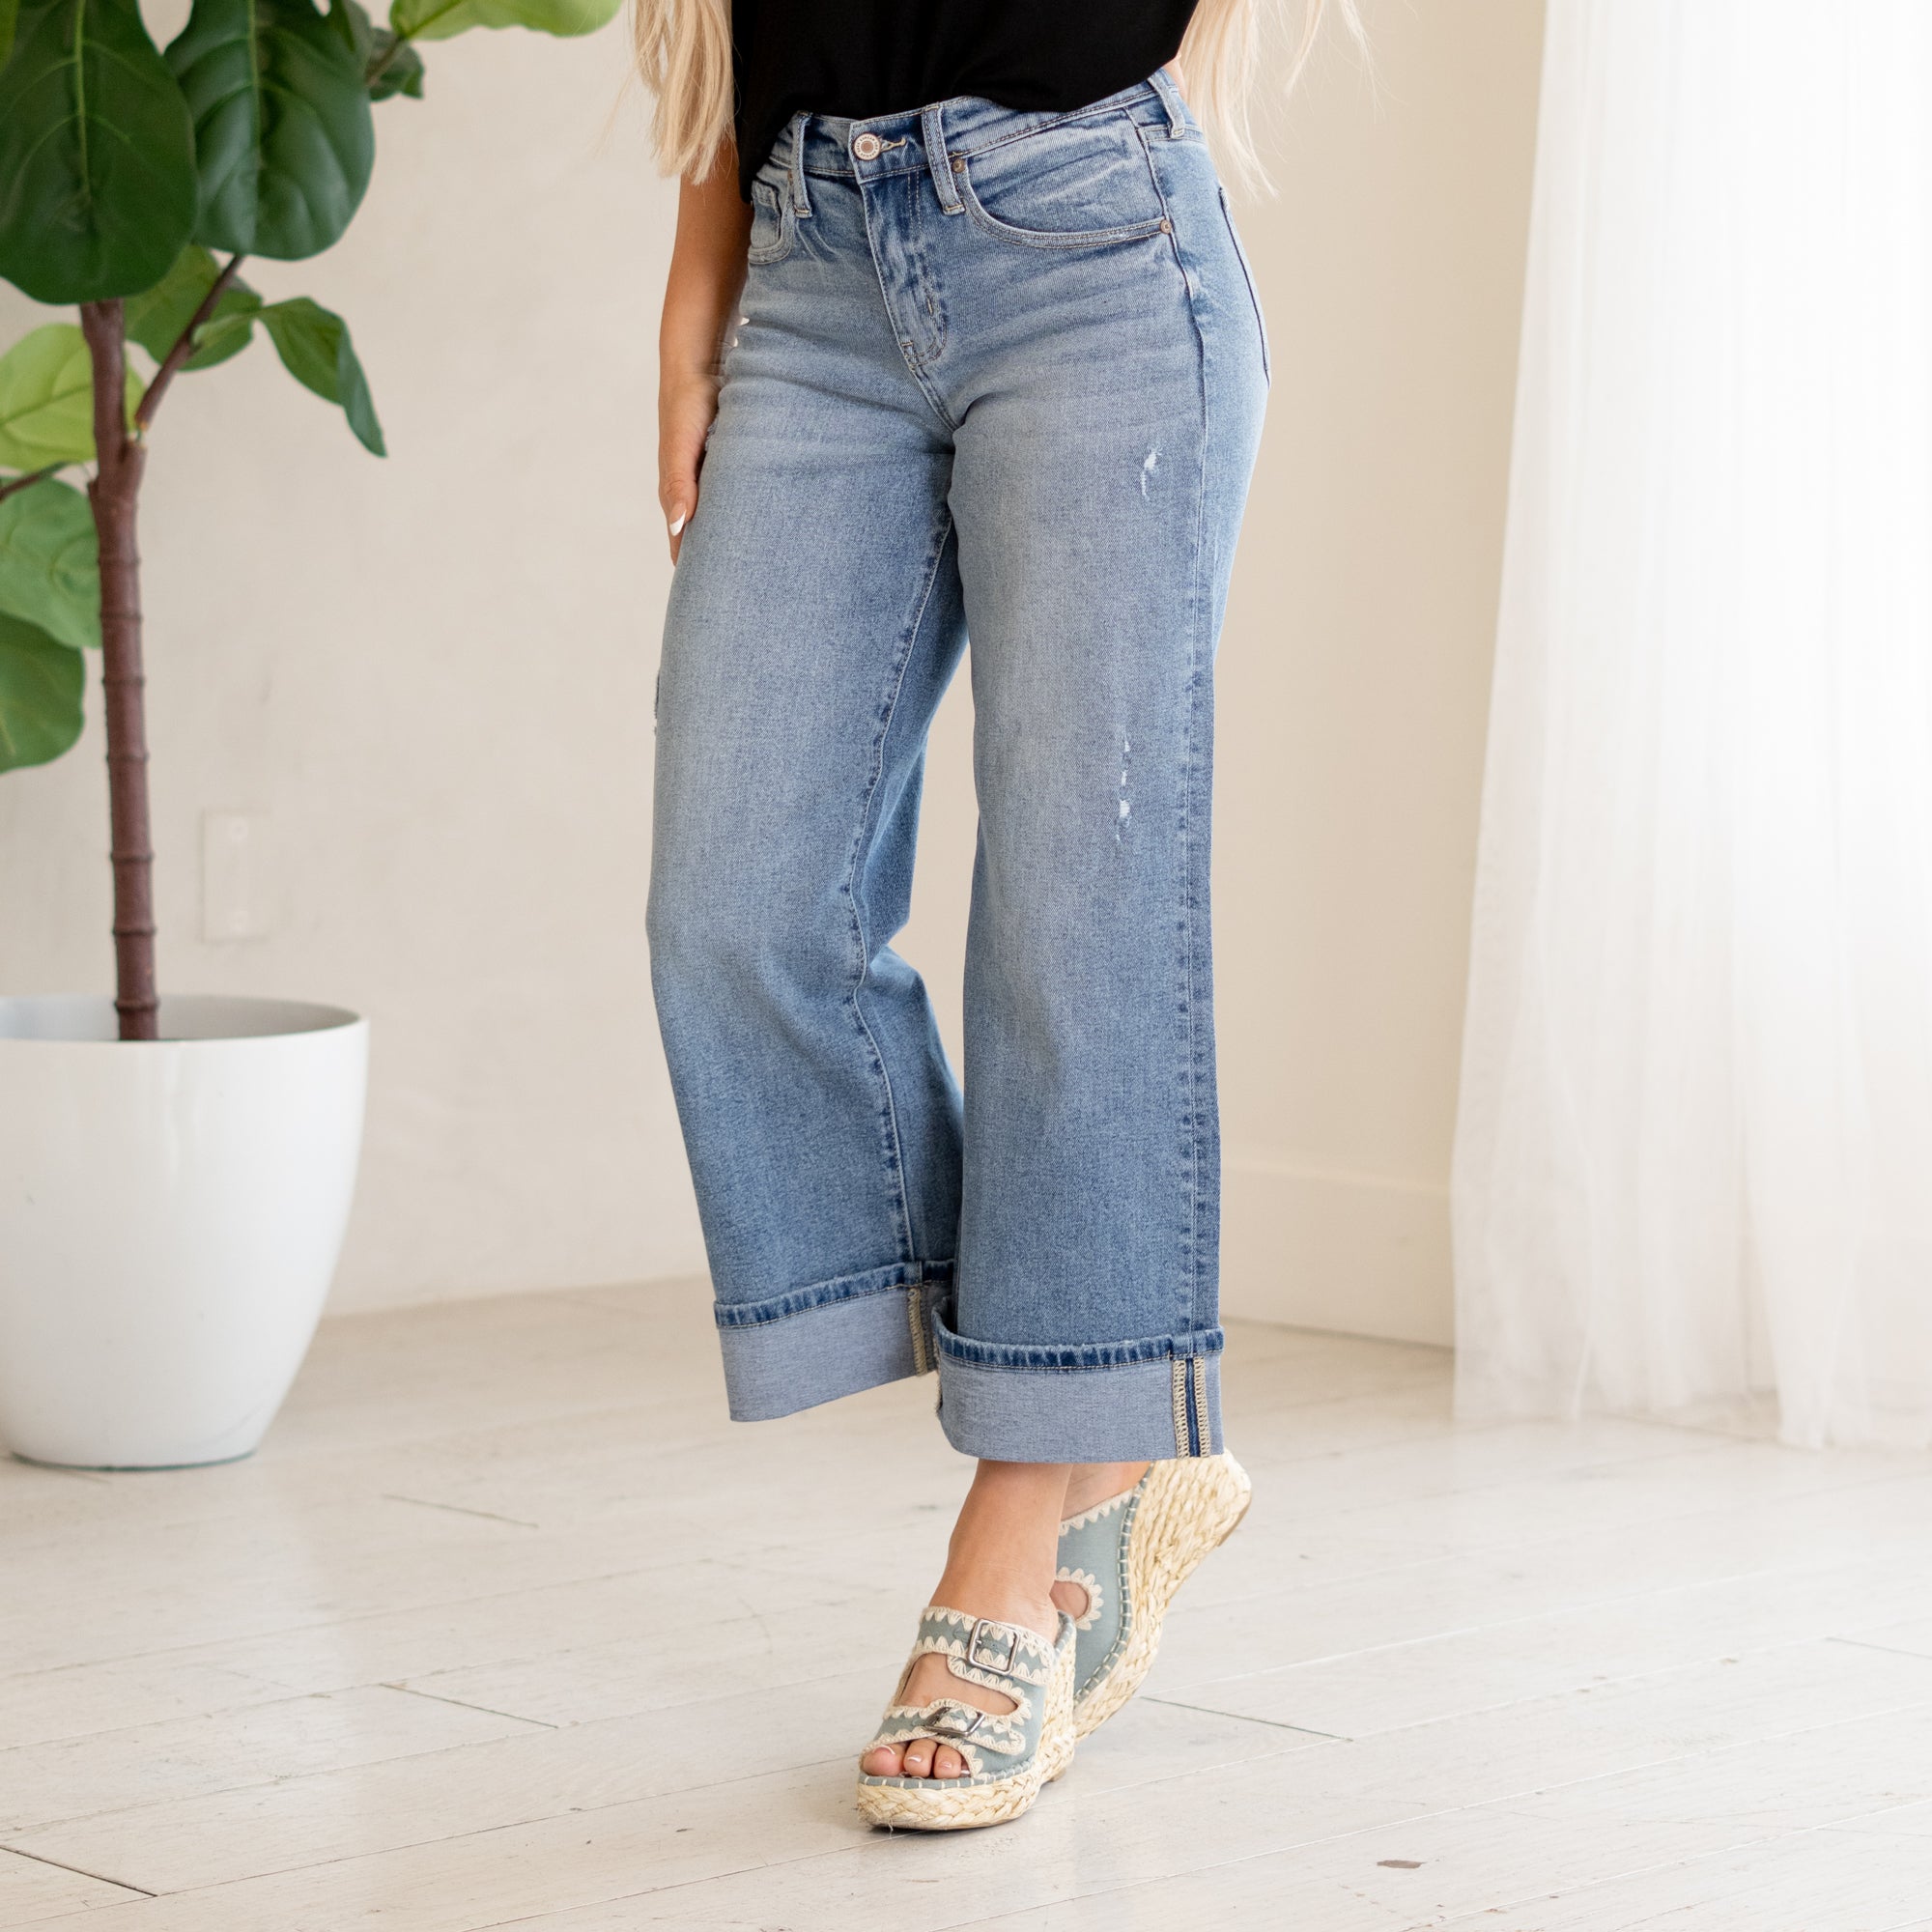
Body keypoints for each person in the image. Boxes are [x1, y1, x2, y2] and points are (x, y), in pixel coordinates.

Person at [638, 0, 1350, 1832]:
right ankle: (1100, 1382)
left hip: (1098, 248)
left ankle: (1032, 1508)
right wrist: (699, 291)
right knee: (736, 904)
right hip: (810, 262)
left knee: (1072, 924)